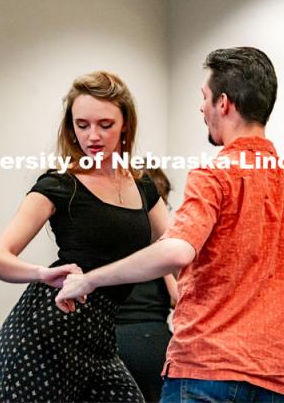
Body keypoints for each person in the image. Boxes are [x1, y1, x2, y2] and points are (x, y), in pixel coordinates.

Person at [56, 47, 284, 403]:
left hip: (206, 371)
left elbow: (177, 249)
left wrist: (89, 279)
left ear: (224, 104)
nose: (201, 108)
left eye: (204, 98)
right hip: (277, 381)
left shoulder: (215, 174)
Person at [0, 71, 170, 403]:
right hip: (42, 336)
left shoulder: (144, 188)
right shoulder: (59, 184)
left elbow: (178, 251)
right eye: (82, 125)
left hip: (100, 342)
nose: (92, 136)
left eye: (105, 125)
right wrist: (42, 273)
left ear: (126, 124)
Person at [115, 166, 177, 403]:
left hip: (112, 339)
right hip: (150, 340)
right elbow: (178, 295)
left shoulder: (113, 235)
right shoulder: (161, 243)